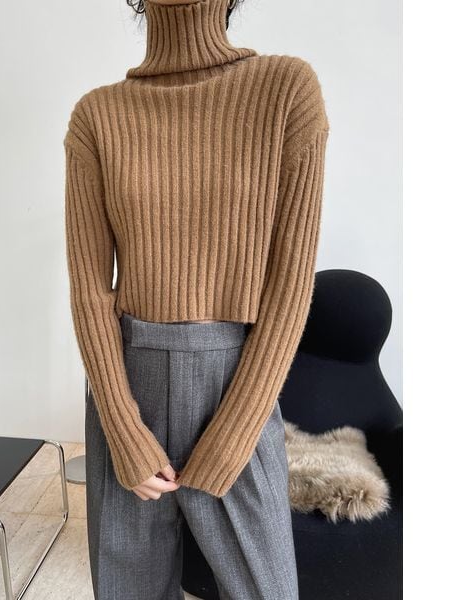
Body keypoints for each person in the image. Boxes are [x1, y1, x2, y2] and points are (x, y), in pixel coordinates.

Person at [63, 0, 329, 598]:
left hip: (238, 384)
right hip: (128, 386)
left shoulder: (287, 89)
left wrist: (236, 432)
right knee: (127, 589)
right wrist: (123, 429)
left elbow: (289, 284)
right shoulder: (97, 115)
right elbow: (90, 290)